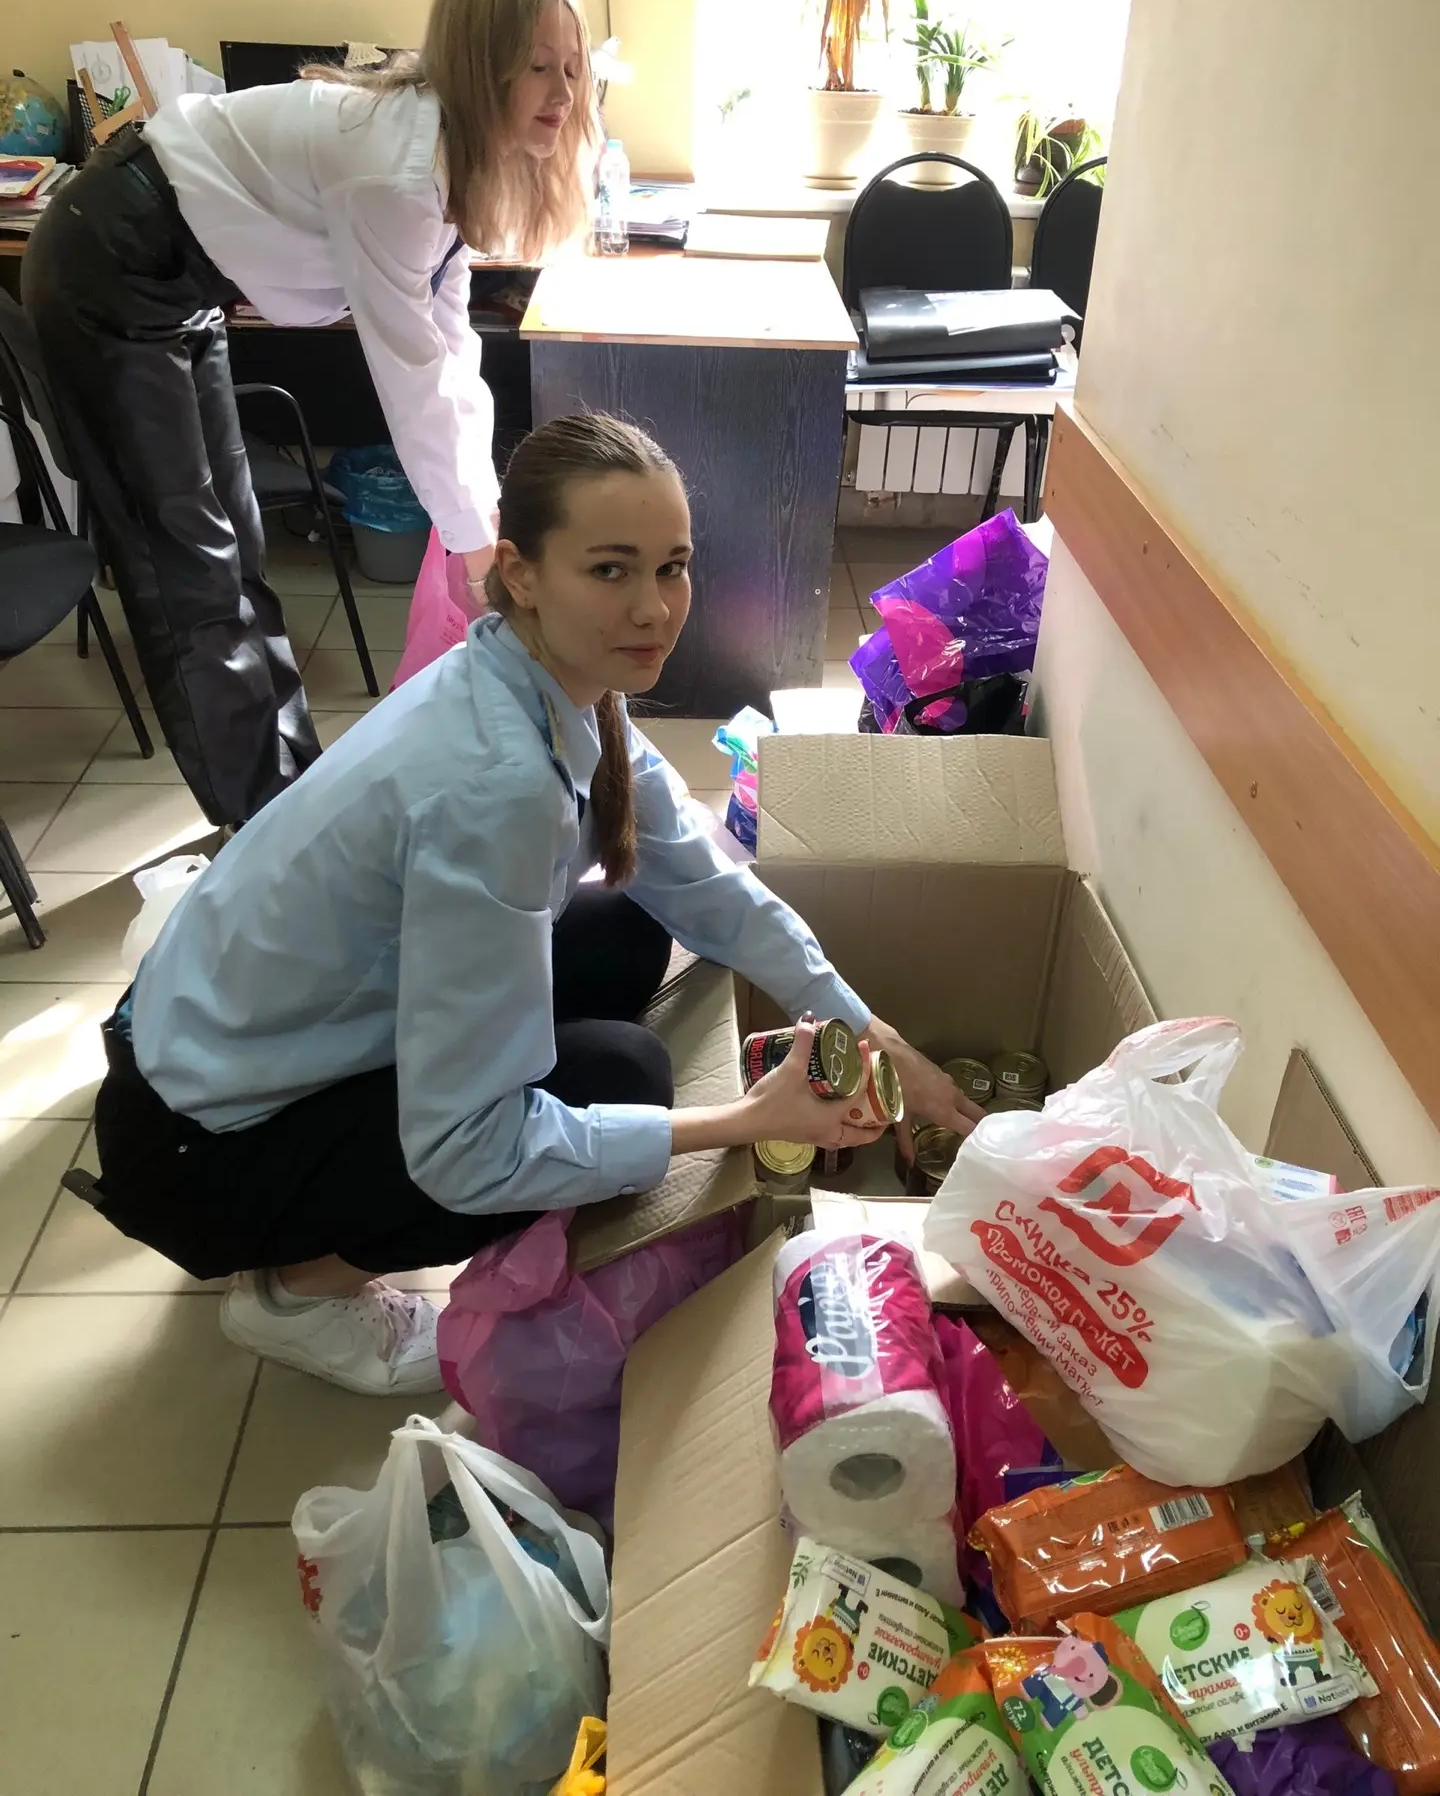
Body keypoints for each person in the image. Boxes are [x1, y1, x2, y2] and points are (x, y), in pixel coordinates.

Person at [75, 414, 981, 1396]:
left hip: (233, 1037)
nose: (654, 608)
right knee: (624, 1080)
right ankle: (297, 1295)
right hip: (197, 1151)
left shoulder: (549, 677)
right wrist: (743, 1120)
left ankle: (352, 1186)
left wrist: (881, 1039)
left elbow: (708, 888)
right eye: (610, 570)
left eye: (672, 567)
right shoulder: (496, 786)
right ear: (521, 572)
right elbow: (469, 1157)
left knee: (633, 922)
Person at [23, 0, 596, 829]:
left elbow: (451, 347)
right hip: (110, 258)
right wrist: (477, 552)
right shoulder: (398, 170)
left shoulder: (455, 154)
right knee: (190, 566)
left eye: (574, 68)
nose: (562, 93)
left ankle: (290, 798)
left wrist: (483, 516)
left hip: (175, 270)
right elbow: (408, 374)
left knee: (236, 541)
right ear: (483, 69)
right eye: (538, 67)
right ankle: (263, 831)